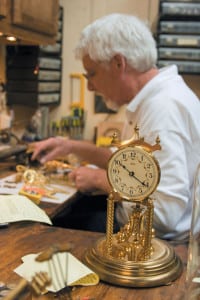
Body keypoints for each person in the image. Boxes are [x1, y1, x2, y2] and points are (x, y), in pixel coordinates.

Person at [31, 13, 200, 241]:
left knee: (41, 233)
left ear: (118, 63)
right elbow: (124, 165)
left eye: (92, 74)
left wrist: (100, 180)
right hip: (135, 225)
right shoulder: (152, 99)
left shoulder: (164, 110)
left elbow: (163, 214)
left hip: (158, 244)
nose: (89, 87)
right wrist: (69, 146)